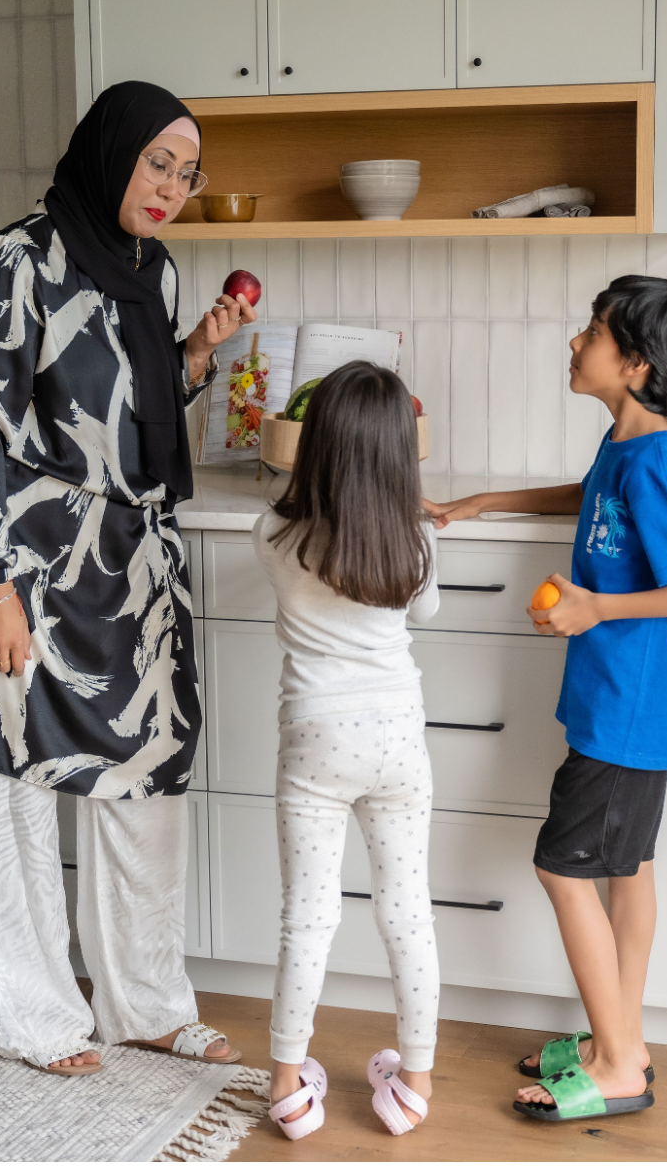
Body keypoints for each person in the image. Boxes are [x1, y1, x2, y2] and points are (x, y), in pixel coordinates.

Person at [0, 81, 258, 1075]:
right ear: (110, 154)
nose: (171, 188)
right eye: (157, 164)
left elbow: (128, 410)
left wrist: (196, 354)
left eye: (188, 174)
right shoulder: (14, 264)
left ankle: (145, 1005)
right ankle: (30, 1015)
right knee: (15, 787)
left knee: (149, 782)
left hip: (136, 568)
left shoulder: (155, 270)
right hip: (29, 571)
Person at [425, 276, 667, 1123]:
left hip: (628, 709)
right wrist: (487, 500)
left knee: (561, 866)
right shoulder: (629, 445)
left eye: (592, 332)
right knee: (628, 869)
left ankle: (619, 1066)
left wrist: (597, 607)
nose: (574, 342)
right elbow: (592, 494)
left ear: (636, 364)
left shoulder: (657, 460)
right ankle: (618, 1038)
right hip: (628, 705)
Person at [252, 361, 440, 1140]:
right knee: (407, 911)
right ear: (400, 452)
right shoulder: (416, 539)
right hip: (397, 741)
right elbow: (425, 609)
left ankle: (288, 1088)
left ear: (316, 441)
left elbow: (301, 521)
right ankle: (414, 1086)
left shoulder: (273, 533)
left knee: (307, 916)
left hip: (316, 744)